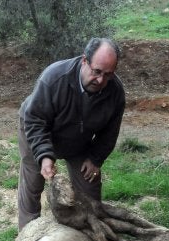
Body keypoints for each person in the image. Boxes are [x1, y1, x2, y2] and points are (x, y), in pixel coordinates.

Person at [18, 37, 125, 230]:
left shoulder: (115, 92)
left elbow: (110, 132)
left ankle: (89, 237)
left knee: (90, 190)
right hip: (38, 130)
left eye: (108, 75)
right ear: (85, 60)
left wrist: (95, 158)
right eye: (97, 71)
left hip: (78, 141)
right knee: (33, 183)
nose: (101, 80)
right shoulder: (54, 78)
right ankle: (26, 240)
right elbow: (35, 120)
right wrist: (44, 155)